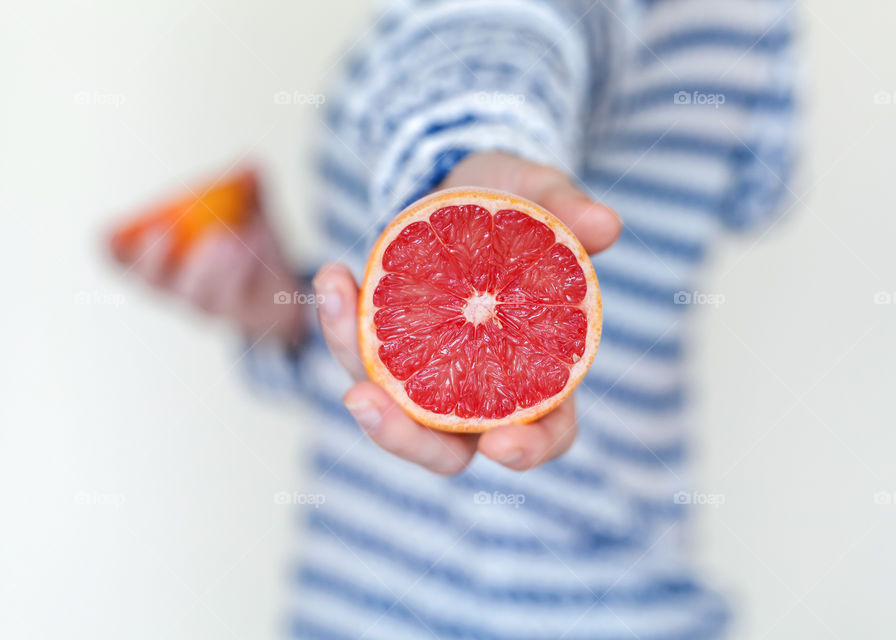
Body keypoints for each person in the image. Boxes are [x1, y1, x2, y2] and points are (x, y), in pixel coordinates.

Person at [112, 0, 797, 637]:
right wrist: (279, 309)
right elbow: (762, 188)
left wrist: (469, 151)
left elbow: (513, 29)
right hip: (407, 597)